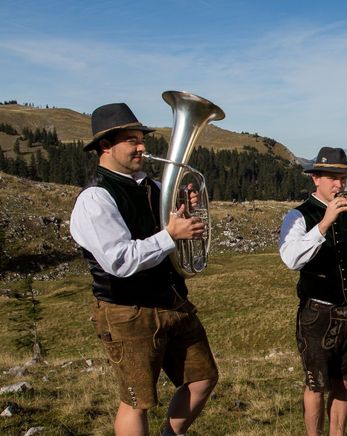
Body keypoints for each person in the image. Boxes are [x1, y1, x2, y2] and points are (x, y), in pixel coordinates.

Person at [70, 103, 218, 436]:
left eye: (141, 139)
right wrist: (170, 234)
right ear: (106, 146)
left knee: (203, 378)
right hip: (128, 310)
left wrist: (180, 213)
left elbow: (166, 237)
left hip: (173, 301)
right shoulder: (95, 198)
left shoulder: (152, 188)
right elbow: (120, 261)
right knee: (137, 401)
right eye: (132, 141)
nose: (142, 147)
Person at [278, 146, 347, 436]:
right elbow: (291, 259)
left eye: (342, 178)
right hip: (318, 313)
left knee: (344, 383)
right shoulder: (298, 215)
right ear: (316, 178)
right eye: (331, 177)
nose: (339, 184)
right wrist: (325, 223)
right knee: (316, 385)